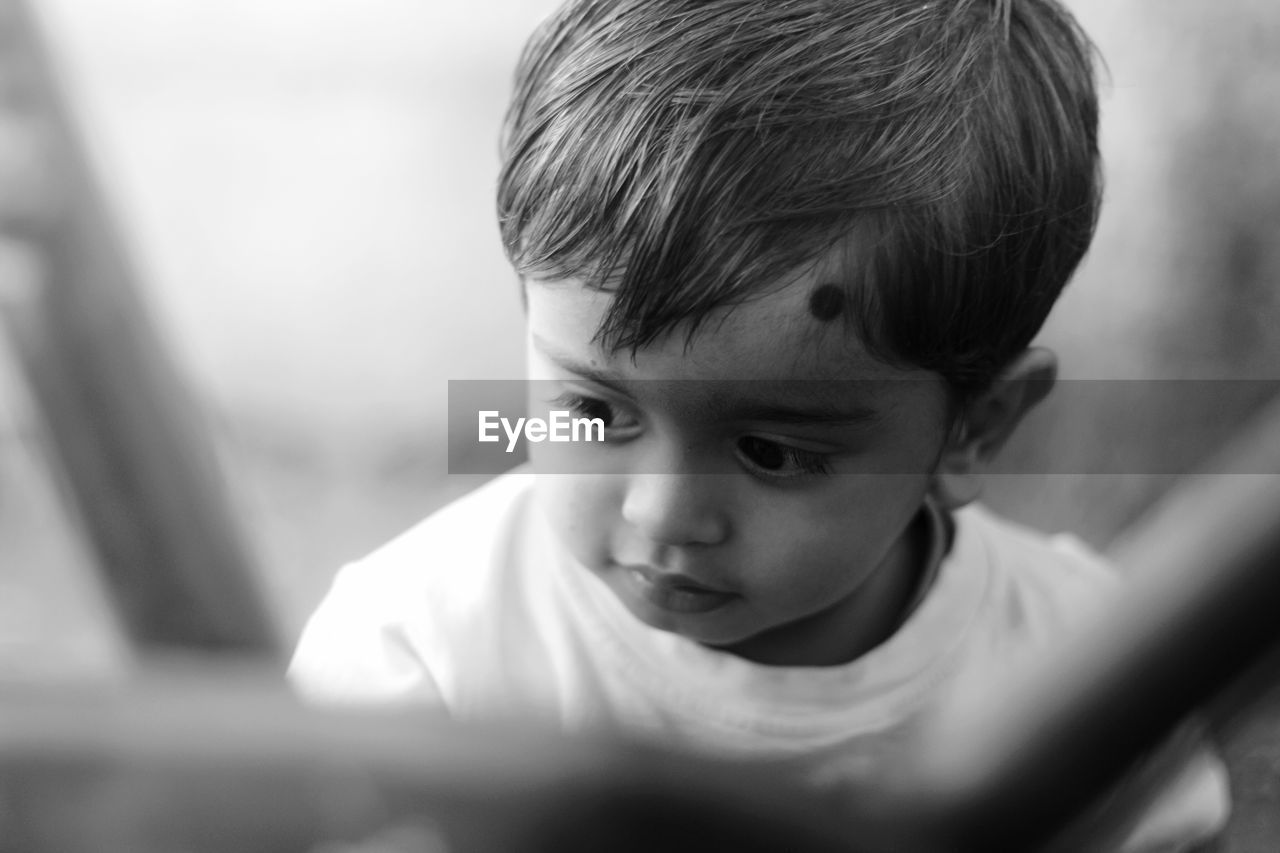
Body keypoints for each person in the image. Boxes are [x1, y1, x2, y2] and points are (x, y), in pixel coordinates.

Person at [290, 0, 1229, 848]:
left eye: (773, 451)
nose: (661, 517)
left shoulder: (1091, 678)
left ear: (974, 427)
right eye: (591, 409)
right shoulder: (421, 659)